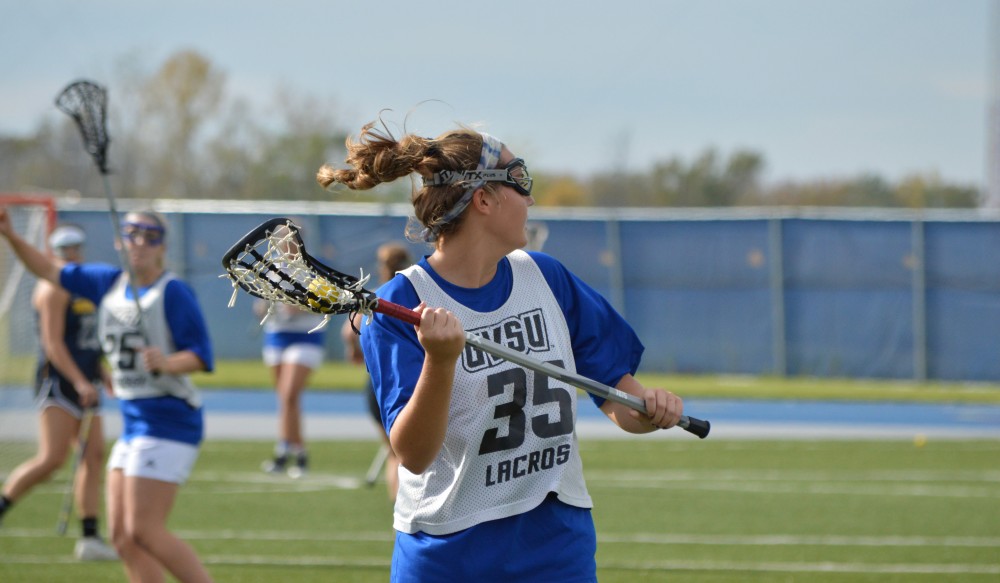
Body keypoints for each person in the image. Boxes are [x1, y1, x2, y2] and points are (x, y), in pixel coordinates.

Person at [316, 122, 684, 582]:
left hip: (556, 543)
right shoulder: (404, 304)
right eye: (520, 181)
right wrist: (440, 361)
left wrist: (649, 410)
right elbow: (412, 452)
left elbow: (618, 398)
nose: (530, 199)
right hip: (449, 553)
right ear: (484, 198)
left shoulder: (547, 278)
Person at [0, 208, 215, 583]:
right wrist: (12, 238)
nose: (140, 243)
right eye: (132, 233)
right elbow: (49, 271)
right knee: (122, 538)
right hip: (134, 423)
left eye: (150, 236)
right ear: (120, 240)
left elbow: (200, 355)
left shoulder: (172, 291)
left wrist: (167, 362)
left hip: (169, 420)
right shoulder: (107, 283)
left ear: (162, 246)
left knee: (145, 530)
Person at [0, 224, 117, 561]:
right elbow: (53, 343)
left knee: (93, 456)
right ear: (53, 251)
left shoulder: (84, 289)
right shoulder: (52, 289)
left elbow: (86, 340)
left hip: (86, 381)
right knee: (52, 459)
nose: (72, 254)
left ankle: (90, 538)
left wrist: (99, 372)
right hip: (60, 382)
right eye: (64, 249)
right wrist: (79, 381)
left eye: (76, 247)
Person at [341, 241, 413, 502]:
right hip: (411, 384)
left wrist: (357, 353)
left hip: (379, 386)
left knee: (396, 454)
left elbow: (349, 332)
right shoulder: (414, 295)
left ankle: (399, 517)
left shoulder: (376, 296)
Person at [255, 298, 327, 478]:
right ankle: (288, 450)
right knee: (285, 400)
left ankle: (294, 452)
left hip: (307, 334)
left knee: (289, 395)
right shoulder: (269, 270)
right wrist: (263, 308)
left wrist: (302, 305)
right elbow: (262, 303)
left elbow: (328, 301)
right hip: (276, 334)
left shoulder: (312, 271)